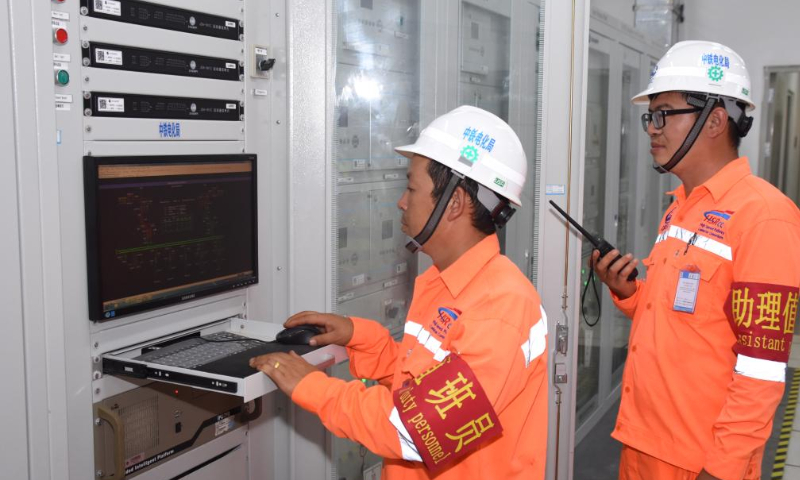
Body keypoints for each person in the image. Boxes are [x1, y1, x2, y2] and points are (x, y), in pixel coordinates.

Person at [250, 106, 548, 479]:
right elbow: (427, 384)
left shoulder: (500, 309)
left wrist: (313, 388)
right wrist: (365, 340)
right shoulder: (449, 282)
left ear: (452, 204)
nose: (402, 202)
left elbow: (416, 430)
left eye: (411, 188)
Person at [593, 40, 800, 480]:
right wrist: (628, 292)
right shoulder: (682, 205)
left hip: (698, 461)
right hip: (643, 442)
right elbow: (684, 313)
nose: (652, 127)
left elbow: (760, 370)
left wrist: (720, 470)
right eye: (651, 115)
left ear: (715, 120)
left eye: (664, 113)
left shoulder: (765, 218)